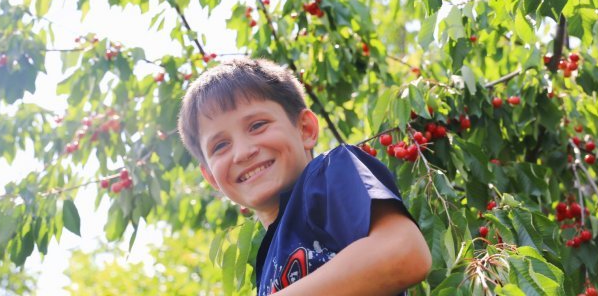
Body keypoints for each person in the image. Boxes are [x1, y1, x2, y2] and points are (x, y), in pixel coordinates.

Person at [177, 58, 431, 295]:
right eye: (220, 146)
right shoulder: (267, 264)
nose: (243, 152)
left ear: (305, 129)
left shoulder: (329, 172)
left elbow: (405, 252)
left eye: (257, 126)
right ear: (211, 177)